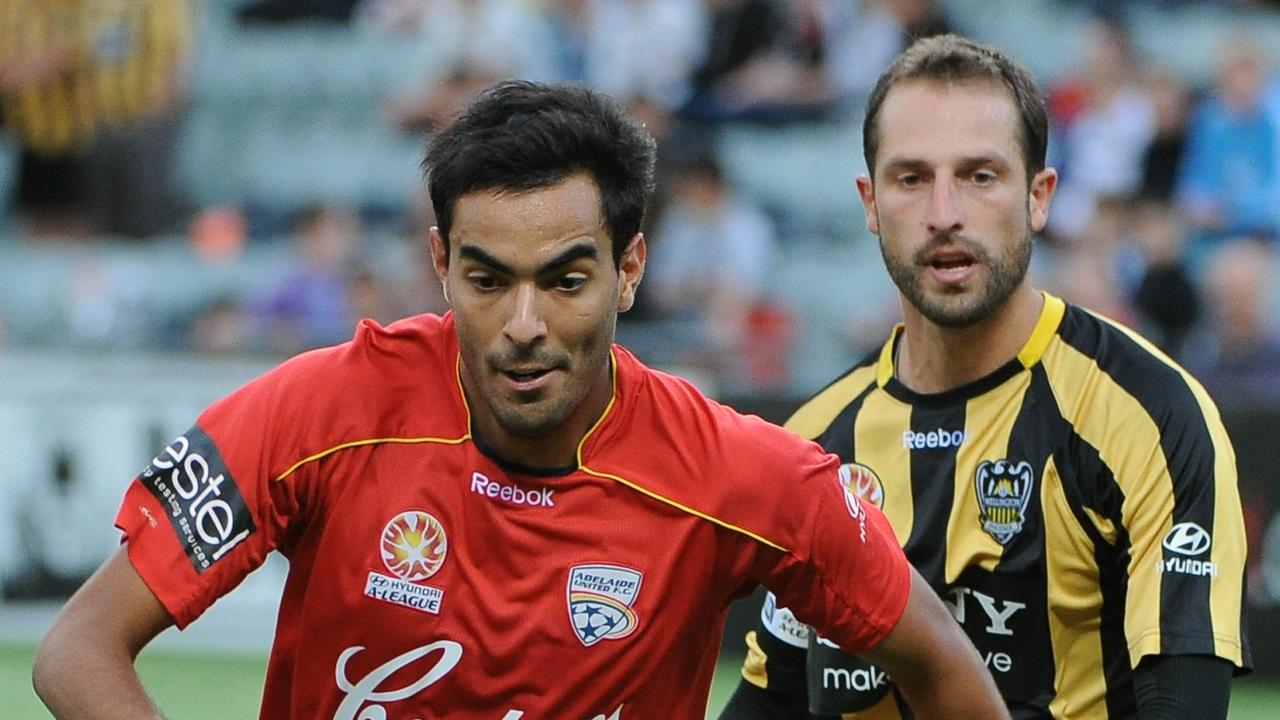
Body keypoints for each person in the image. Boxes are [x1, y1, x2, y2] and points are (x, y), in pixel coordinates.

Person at [32, 80, 1008, 720]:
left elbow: (945, 673)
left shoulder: (744, 477)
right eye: (487, 278)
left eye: (566, 279)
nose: (524, 323)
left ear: (630, 268)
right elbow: (77, 649)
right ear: (438, 264)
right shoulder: (315, 415)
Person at [720, 34, 1251, 720]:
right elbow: (771, 702)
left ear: (1038, 196)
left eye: (980, 176)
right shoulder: (815, 445)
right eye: (911, 178)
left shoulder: (1149, 415)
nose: (945, 214)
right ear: (870, 202)